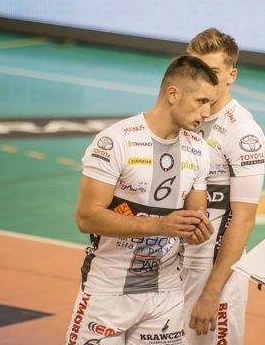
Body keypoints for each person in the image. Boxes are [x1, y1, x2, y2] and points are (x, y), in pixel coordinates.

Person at [65, 55, 218, 345]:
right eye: (201, 101)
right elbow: (86, 217)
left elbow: (195, 217)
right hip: (107, 291)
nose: (207, 112)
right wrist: (161, 226)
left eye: (210, 103)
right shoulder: (117, 140)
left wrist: (198, 229)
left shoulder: (199, 149)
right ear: (173, 94)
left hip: (166, 293)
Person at [181, 28, 265, 345]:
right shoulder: (183, 118)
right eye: (196, 68)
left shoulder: (242, 131)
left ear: (232, 75)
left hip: (213, 274)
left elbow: (243, 219)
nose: (203, 78)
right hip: (173, 267)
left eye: (213, 71)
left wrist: (211, 293)